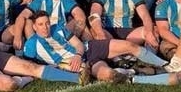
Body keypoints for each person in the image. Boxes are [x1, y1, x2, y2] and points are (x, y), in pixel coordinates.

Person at [24, 11, 168, 83]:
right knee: (109, 74)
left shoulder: (58, 29)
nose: (46, 27)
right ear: (35, 27)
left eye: (47, 23)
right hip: (77, 65)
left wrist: (78, 54)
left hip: (88, 49)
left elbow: (78, 44)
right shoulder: (31, 44)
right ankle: (135, 71)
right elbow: (30, 66)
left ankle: (166, 65)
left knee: (128, 45)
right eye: (41, 24)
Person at [14, 0, 94, 42]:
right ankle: (33, 50)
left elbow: (80, 16)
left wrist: (72, 37)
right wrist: (17, 37)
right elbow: (22, 16)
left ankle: (91, 51)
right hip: (42, 34)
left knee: (80, 22)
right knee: (28, 22)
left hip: (62, 34)